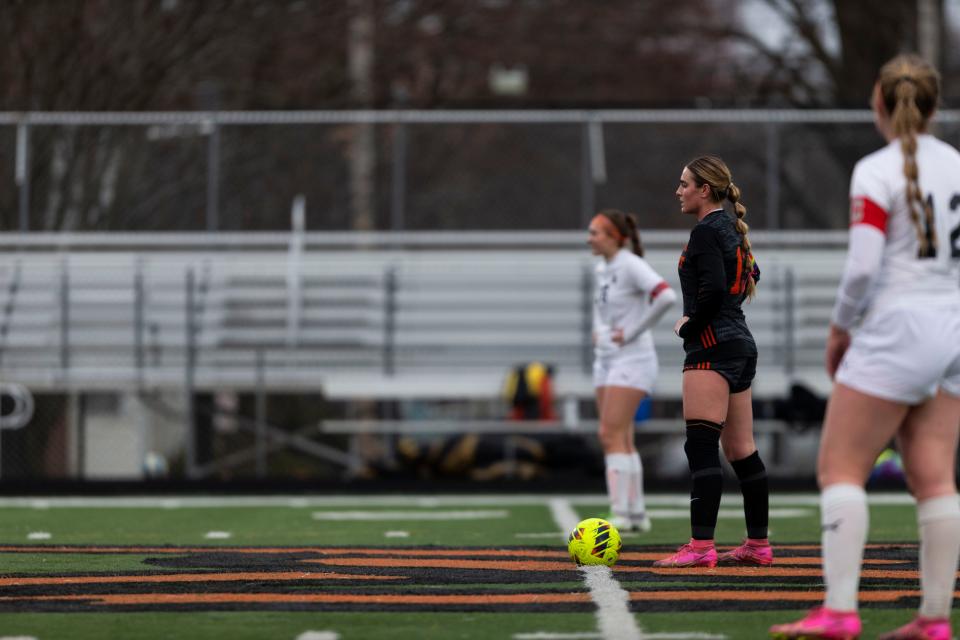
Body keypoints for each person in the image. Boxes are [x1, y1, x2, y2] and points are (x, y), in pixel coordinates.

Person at [770, 54, 960, 640]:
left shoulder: (874, 170)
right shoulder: (957, 163)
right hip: (954, 325)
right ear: (932, 105)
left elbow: (861, 269)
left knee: (840, 468)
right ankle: (932, 620)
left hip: (898, 325)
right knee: (935, 477)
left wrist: (839, 329)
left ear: (878, 103)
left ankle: (840, 610)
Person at [653, 156, 771, 568]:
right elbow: (753, 274)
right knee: (741, 449)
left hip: (712, 348)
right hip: (741, 345)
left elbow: (716, 290)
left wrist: (690, 325)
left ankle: (701, 547)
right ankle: (758, 545)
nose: (679, 190)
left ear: (705, 190)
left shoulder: (705, 232)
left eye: (685, 183)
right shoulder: (731, 229)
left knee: (701, 446)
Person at [588, 209, 676, 532]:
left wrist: (634, 332)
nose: (590, 239)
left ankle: (620, 513)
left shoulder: (630, 264)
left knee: (609, 434)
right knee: (622, 436)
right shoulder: (602, 268)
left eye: (596, 232)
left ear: (615, 237)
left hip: (633, 359)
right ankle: (637, 513)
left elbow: (666, 296)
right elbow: (602, 309)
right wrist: (600, 330)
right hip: (607, 358)